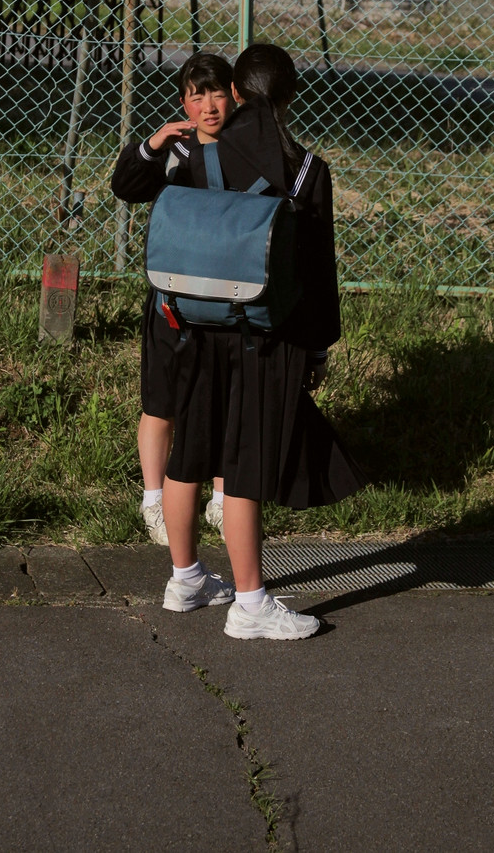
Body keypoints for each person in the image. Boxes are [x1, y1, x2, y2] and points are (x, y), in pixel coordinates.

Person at [156, 43, 366, 639]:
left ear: (237, 93)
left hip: (193, 324)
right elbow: (317, 275)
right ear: (290, 95)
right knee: (243, 465)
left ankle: (186, 578)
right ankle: (250, 605)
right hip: (264, 337)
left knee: (189, 454)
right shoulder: (304, 169)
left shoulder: (198, 147)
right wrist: (319, 347)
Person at [110, 52, 232, 544]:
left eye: (217, 92)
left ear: (235, 96)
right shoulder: (175, 154)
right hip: (173, 302)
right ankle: (154, 501)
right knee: (161, 402)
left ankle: (224, 499)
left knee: (227, 400)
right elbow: (125, 187)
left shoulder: (247, 151)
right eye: (196, 95)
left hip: (228, 303)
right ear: (183, 101)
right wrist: (152, 143)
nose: (207, 105)